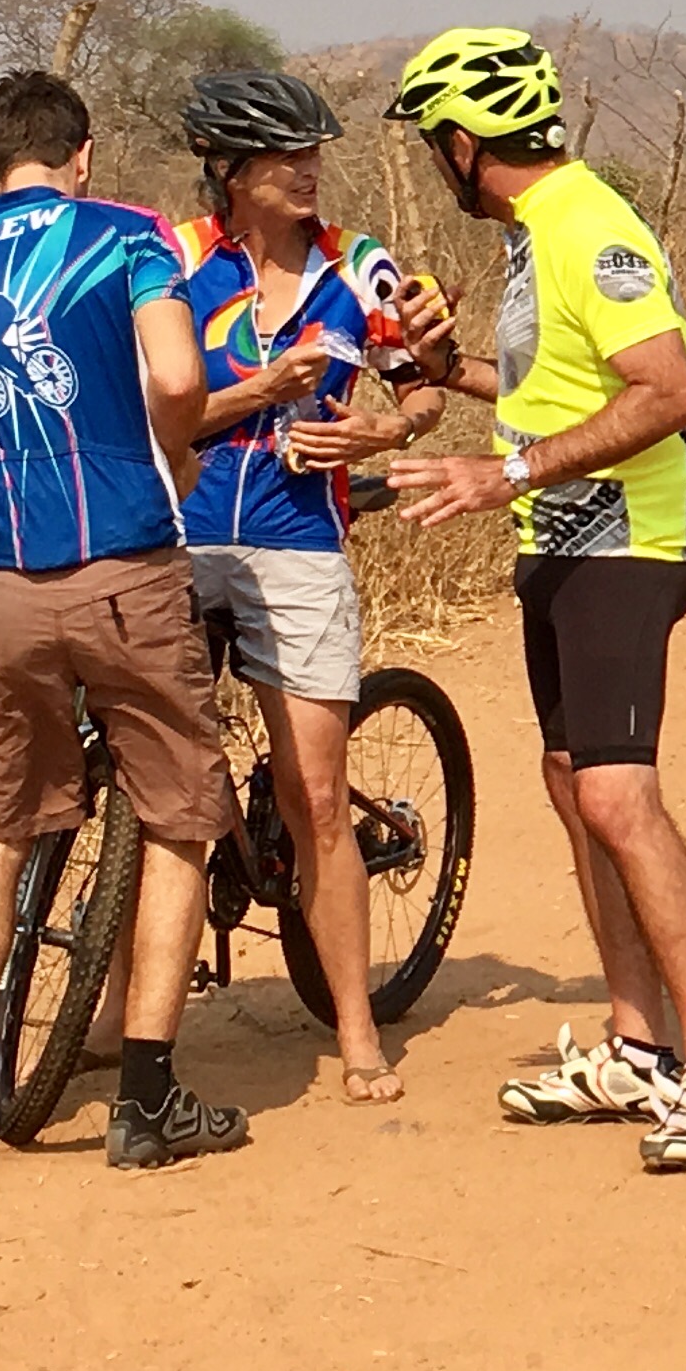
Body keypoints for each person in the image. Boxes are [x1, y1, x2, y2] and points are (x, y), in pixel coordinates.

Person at [379, 27, 686, 1174]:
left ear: (459, 143)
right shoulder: (539, 234)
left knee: (619, 797)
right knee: (569, 783)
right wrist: (453, 378)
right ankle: (635, 1046)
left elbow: (668, 390)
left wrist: (506, 475)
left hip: (627, 548)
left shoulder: (590, 228)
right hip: (564, 543)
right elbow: (555, 391)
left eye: (432, 147)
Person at [0, 69, 251, 1174]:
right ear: (83, 155)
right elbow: (178, 374)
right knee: (179, 819)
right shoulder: (130, 237)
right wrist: (180, 443)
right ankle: (145, 1099)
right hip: (124, 568)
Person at [169, 70, 451, 1103]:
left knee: (317, 793)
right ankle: (113, 1018)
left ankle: (357, 1030)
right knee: (152, 782)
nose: (310, 170)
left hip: (300, 547)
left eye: (314, 153)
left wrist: (384, 426)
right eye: (287, 157)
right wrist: (257, 392)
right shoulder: (173, 263)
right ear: (230, 172)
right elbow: (153, 409)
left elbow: (423, 388)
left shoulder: (359, 268)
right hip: (182, 538)